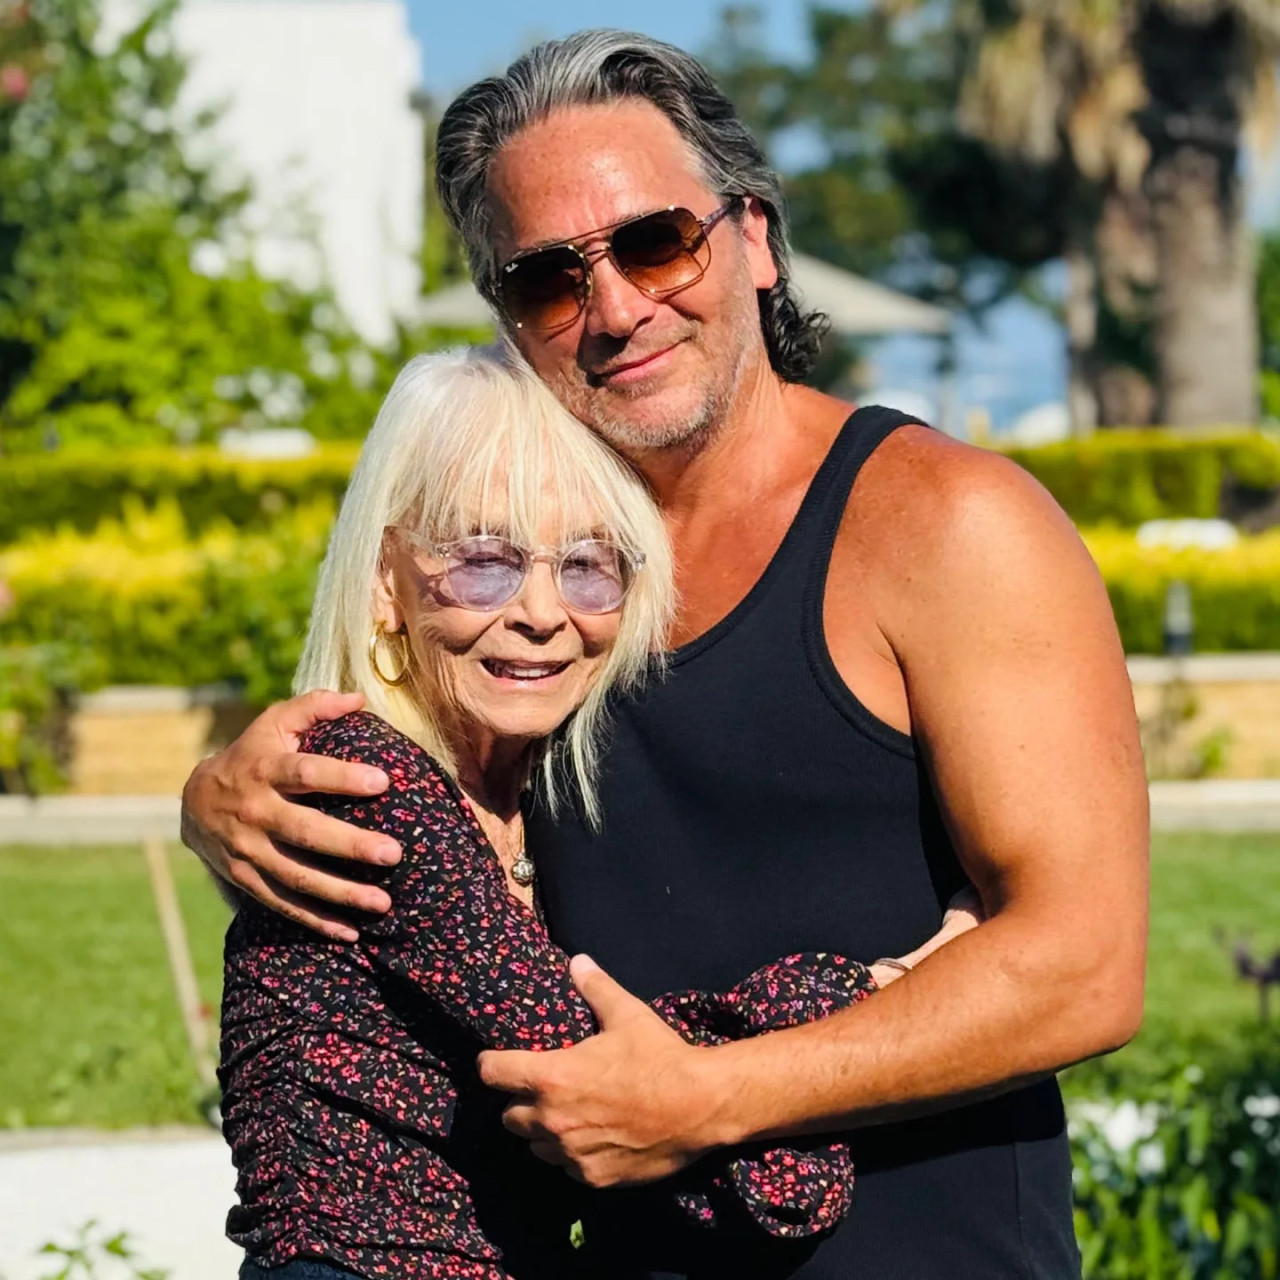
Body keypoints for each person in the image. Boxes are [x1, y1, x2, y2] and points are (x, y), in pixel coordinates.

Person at [183, 30, 1149, 1279]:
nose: (615, 308)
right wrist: (216, 794)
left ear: (753, 238)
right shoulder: (549, 568)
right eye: (547, 277)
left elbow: (1085, 964)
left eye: (654, 241)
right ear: (506, 316)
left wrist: (708, 1098)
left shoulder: (946, 523)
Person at [221, 345, 981, 1280]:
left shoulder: (537, 803)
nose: (543, 613)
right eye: (484, 562)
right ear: (386, 581)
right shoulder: (366, 787)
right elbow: (734, 1162)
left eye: (588, 564)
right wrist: (882, 983)